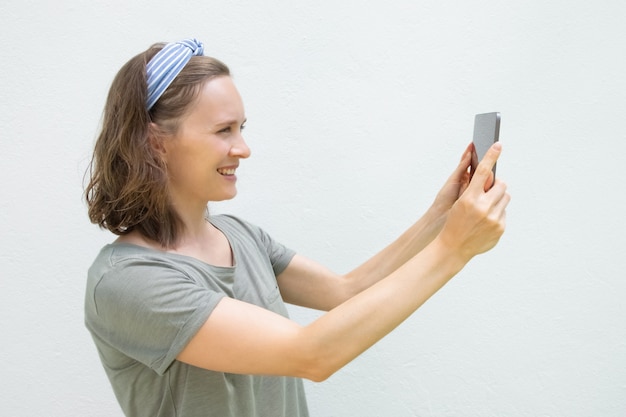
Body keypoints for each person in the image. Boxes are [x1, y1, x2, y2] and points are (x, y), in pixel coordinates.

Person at [84, 38, 510, 417]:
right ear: (157, 141)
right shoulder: (127, 282)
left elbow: (347, 291)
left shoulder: (242, 236)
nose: (243, 148)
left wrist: (441, 215)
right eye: (223, 130)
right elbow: (312, 354)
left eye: (242, 128)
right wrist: (453, 249)